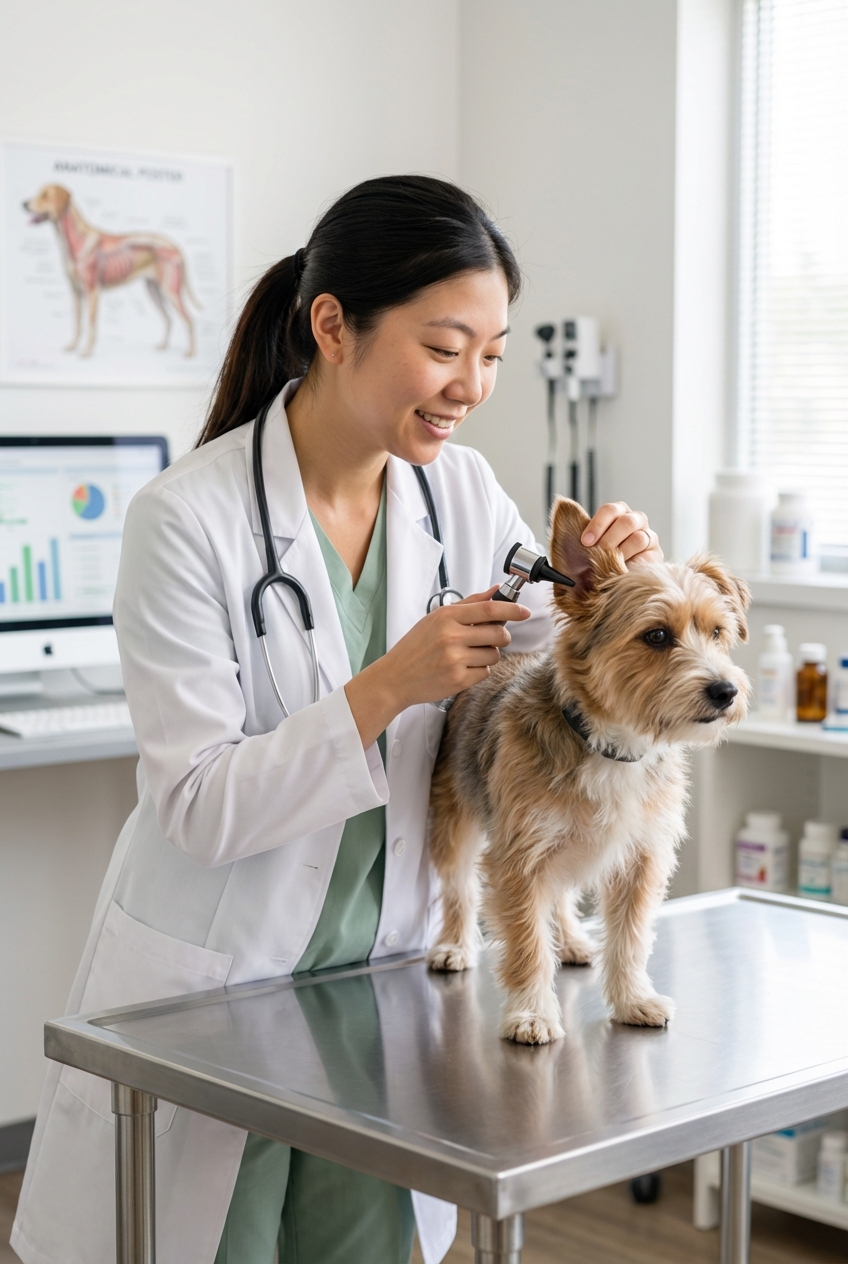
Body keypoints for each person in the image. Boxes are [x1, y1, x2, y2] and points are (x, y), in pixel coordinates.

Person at [12, 175, 662, 1264]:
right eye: (446, 346)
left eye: (493, 353)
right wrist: (383, 688)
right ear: (331, 326)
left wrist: (608, 588)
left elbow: (550, 665)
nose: (472, 385)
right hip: (215, 1003)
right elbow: (196, 805)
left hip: (381, 1002)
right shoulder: (187, 519)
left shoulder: (459, 494)